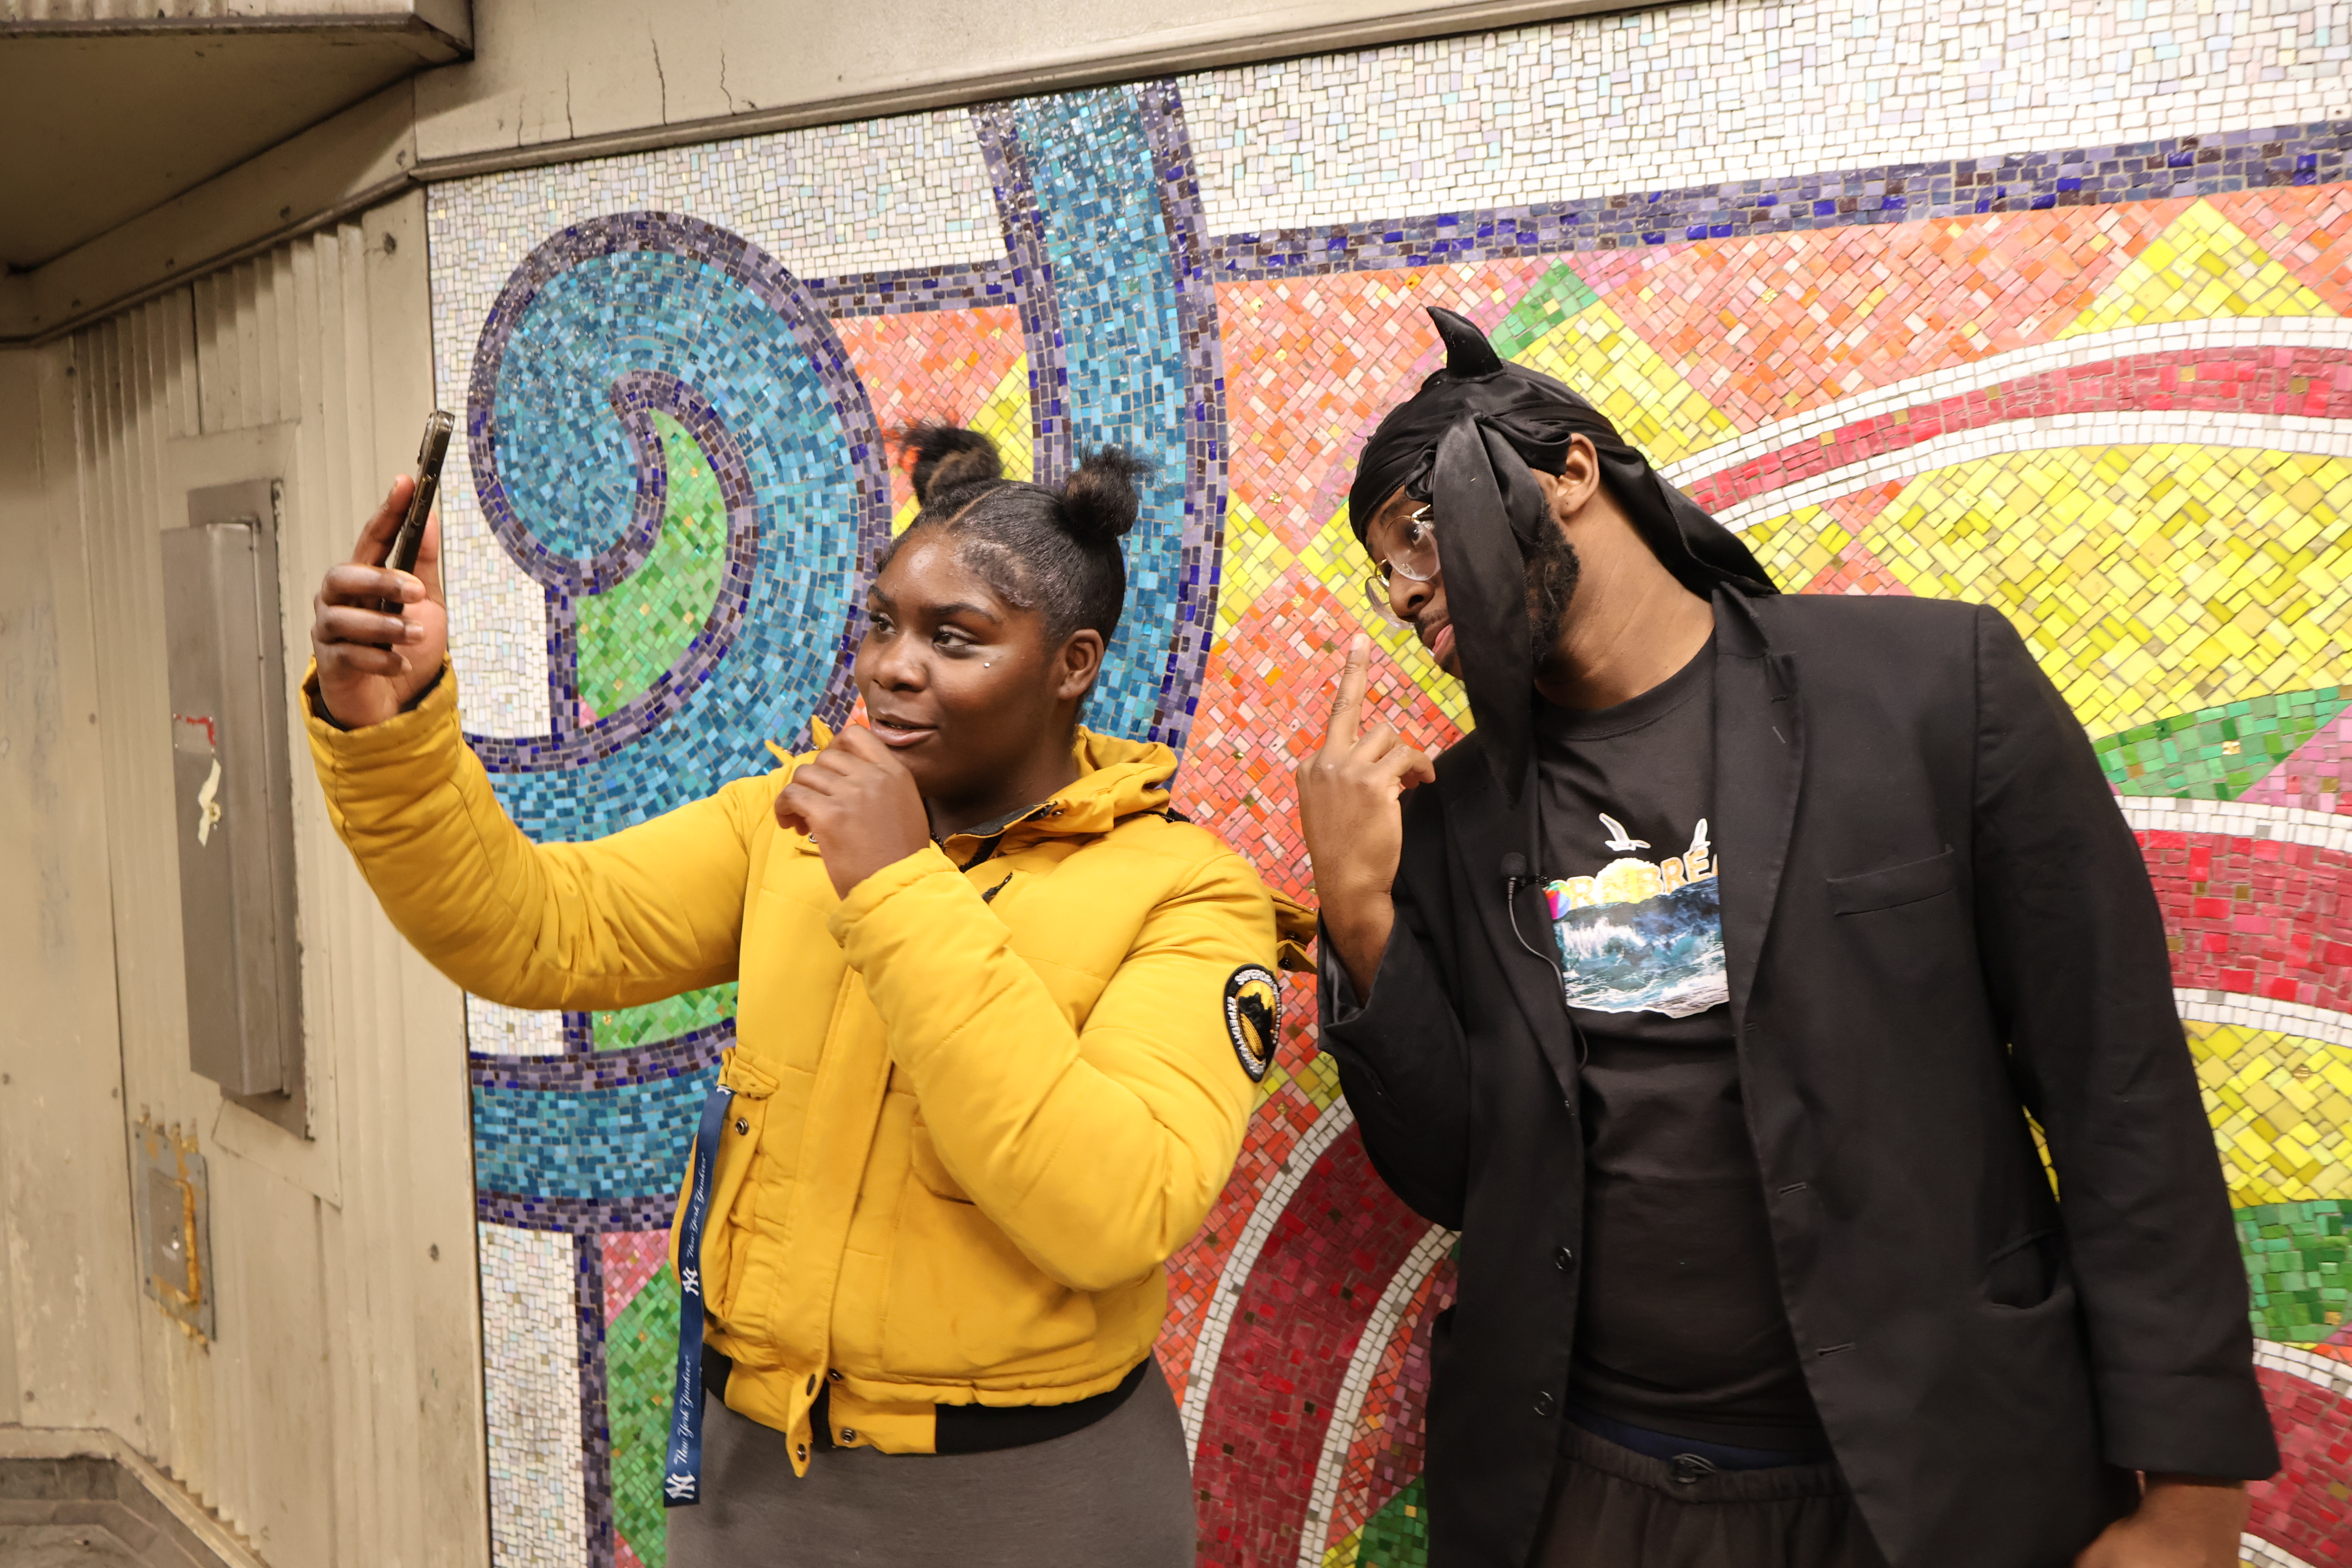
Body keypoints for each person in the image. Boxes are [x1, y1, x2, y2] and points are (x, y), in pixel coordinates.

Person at [1294, 309, 2278, 1568]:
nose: (1405, 589)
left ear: (1571, 474)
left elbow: (2118, 1089)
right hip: (1585, 1490)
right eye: (1384, 572)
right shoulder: (1457, 812)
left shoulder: (1932, 689)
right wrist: (1362, 915)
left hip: (1930, 1481)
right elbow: (1457, 1176)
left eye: (1419, 531)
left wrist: (2192, 1490)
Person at [307, 425, 1310, 1567]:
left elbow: (1113, 1207)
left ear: (1072, 665)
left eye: (956, 637)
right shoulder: (790, 824)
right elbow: (538, 930)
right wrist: (388, 724)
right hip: (760, 1485)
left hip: (1034, 1502)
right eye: (883, 621)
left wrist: (893, 881)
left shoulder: (1188, 897)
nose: (891, 665)